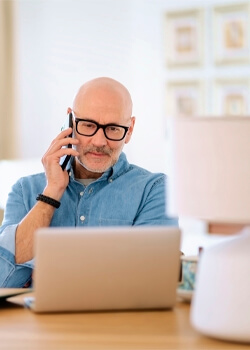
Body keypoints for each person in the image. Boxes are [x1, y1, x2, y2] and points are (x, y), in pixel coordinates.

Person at [0, 77, 178, 287]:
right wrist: (51, 193)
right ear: (70, 122)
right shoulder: (24, 191)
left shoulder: (155, 190)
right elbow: (4, 281)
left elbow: (152, 282)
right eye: (88, 125)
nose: (99, 141)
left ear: (129, 130)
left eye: (113, 128)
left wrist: (49, 275)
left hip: (120, 322)